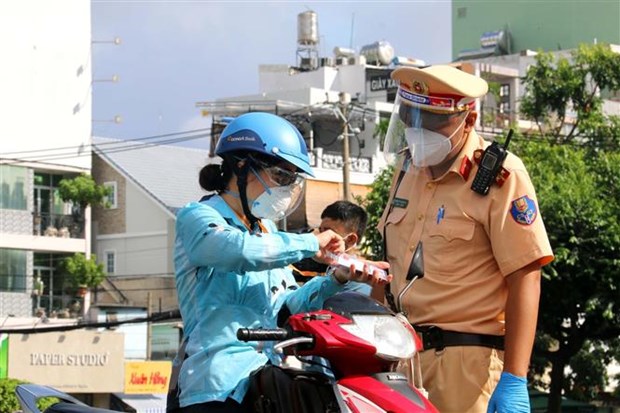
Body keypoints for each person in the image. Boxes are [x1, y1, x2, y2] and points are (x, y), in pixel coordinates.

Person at [169, 112, 390, 413]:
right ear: (242, 167)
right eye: (281, 177)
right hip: (215, 387)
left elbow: (285, 308)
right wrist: (311, 242)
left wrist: (334, 278)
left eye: (292, 180)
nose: (286, 190)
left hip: (267, 383)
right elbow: (240, 251)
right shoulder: (198, 217)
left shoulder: (268, 232)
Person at [376, 65, 554, 413]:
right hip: (402, 360)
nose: (417, 131)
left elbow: (526, 276)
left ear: (468, 120)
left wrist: (515, 378)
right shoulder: (406, 170)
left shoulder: (501, 177)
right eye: (411, 117)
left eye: (431, 121)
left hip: (467, 369)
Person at [291, 200, 372, 295]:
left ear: (350, 240)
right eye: (321, 231)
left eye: (328, 233)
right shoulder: (325, 268)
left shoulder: (356, 277)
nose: (321, 238)